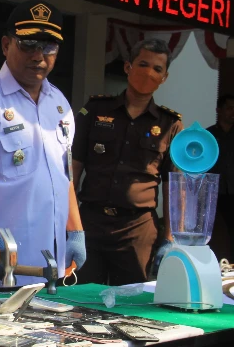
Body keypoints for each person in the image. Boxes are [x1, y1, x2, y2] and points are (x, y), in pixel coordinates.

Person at [0, 0, 86, 295]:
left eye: (48, 46)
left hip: (49, 270)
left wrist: (75, 230)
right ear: (5, 45)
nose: (38, 55)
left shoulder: (60, 104)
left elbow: (64, 176)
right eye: (28, 44)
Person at [72, 38, 183, 286]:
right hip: (90, 224)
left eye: (157, 69)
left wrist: (170, 238)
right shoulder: (95, 110)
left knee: (134, 305)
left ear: (164, 77)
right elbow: (73, 170)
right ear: (127, 67)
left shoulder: (170, 124)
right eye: (143, 64)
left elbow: (173, 186)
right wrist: (68, 224)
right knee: (79, 303)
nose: (149, 73)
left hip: (138, 230)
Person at [207, 94, 234, 262]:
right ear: (219, 110)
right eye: (229, 108)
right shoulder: (208, 136)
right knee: (210, 233)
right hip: (212, 192)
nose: (233, 112)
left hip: (233, 192)